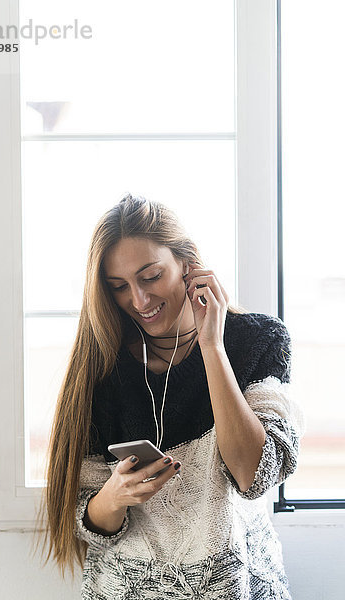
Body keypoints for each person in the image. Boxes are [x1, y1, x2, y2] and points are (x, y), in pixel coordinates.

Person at [33, 194, 305, 599]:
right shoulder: (101, 364)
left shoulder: (256, 340)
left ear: (188, 264)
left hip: (238, 586)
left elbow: (254, 475)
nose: (139, 301)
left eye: (151, 276)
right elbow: (81, 516)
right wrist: (114, 497)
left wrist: (213, 346)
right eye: (119, 287)